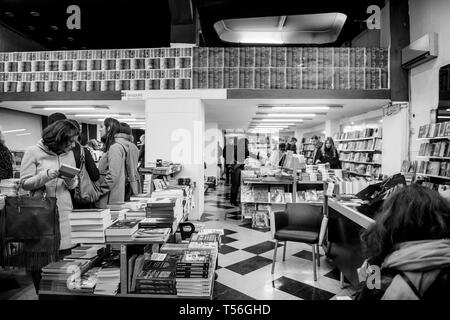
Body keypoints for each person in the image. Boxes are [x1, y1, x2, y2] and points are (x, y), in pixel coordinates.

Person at [356, 185, 450, 300]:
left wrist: (368, 272)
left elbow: (365, 294)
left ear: (390, 221)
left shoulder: (383, 274)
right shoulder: (444, 256)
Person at [20, 120, 79, 293]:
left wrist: (70, 179)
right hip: (39, 216)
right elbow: (25, 183)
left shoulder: (68, 153)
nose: (73, 145)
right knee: (42, 268)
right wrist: (48, 175)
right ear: (59, 138)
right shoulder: (33, 152)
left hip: (64, 214)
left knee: (65, 267)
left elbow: (73, 185)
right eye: (71, 141)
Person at [67, 120, 100, 209]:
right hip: (82, 195)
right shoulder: (83, 151)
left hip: (63, 198)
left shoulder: (55, 152)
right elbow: (95, 176)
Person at [95, 118, 127, 208]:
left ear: (108, 128)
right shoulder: (113, 146)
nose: (100, 130)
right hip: (108, 194)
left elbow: (113, 175)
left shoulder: (115, 148)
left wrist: (99, 191)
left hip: (109, 196)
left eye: (102, 127)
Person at [115, 122, 141, 200]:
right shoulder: (118, 145)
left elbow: (132, 170)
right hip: (121, 184)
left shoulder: (130, 147)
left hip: (126, 186)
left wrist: (136, 193)